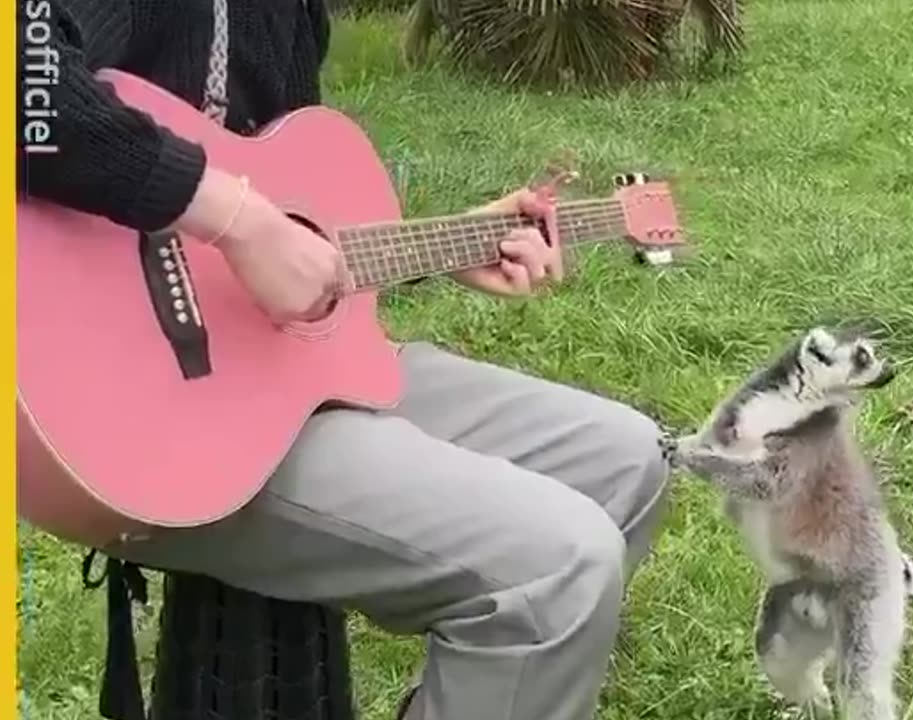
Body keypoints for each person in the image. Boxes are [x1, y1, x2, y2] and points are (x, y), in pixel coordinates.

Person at [17, 1, 671, 719]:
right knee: (559, 565)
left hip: (270, 371)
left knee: (627, 459)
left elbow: (288, 198)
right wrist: (237, 220)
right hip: (137, 417)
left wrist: (451, 245)